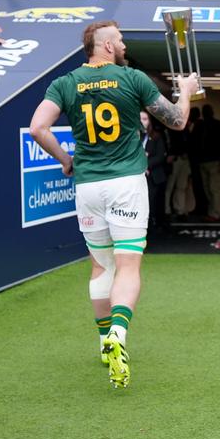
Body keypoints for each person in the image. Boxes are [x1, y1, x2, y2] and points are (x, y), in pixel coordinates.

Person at [29, 20, 197, 388]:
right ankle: (119, 332)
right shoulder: (131, 78)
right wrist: (185, 89)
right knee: (128, 265)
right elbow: (178, 120)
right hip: (126, 183)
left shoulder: (65, 82)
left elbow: (38, 128)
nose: (123, 45)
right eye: (119, 40)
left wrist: (64, 159)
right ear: (105, 45)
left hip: (88, 186)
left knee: (100, 267)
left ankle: (104, 340)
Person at [140, 111, 169, 230]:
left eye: (145, 119)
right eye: (140, 119)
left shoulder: (156, 136)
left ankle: (157, 225)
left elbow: (160, 156)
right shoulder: (135, 137)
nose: (142, 121)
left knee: (155, 202)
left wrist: (145, 165)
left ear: (150, 121)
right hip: (140, 176)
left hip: (154, 176)